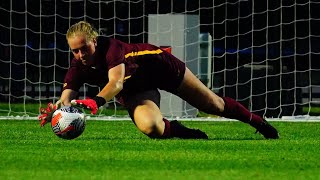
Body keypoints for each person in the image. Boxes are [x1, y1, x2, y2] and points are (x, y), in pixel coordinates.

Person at [39, 21, 279, 139]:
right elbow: (66, 98)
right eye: (75, 51)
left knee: (213, 105)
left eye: (84, 49)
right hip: (136, 89)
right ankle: (185, 133)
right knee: (151, 128)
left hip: (161, 67)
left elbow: (116, 83)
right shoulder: (77, 65)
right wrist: (57, 111)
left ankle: (259, 123)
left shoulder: (111, 48)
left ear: (95, 41)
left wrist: (96, 101)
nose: (80, 55)